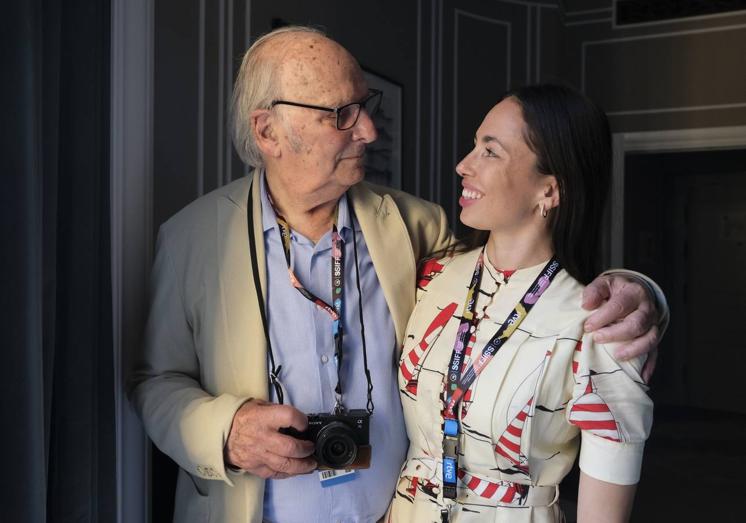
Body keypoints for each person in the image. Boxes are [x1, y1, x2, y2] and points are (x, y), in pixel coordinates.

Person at [129, 27, 665, 523]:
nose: (367, 129)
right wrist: (226, 431)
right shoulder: (190, 239)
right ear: (269, 132)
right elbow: (154, 382)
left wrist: (637, 293)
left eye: (365, 106)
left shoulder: (417, 228)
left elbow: (521, 280)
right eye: (341, 114)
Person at [387, 84, 652, 523]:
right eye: (474, 146)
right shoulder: (430, 278)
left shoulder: (602, 324)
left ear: (550, 189)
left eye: (490, 152)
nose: (462, 165)